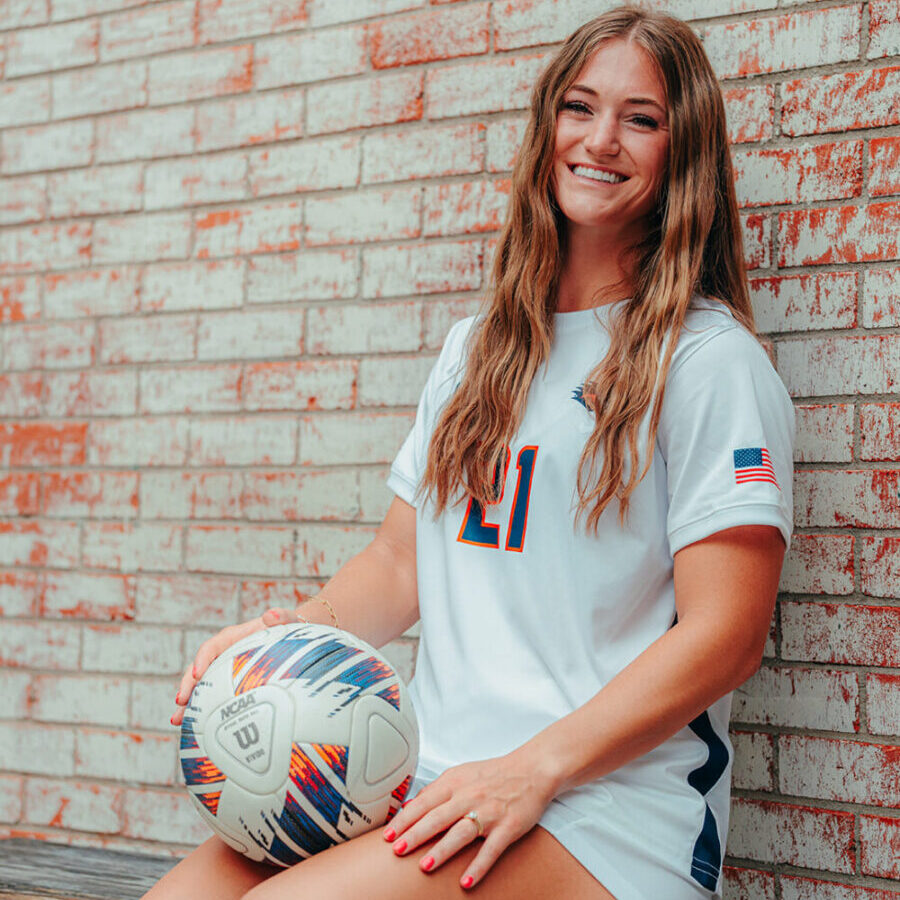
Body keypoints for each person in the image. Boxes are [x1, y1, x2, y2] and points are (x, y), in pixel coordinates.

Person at [148, 5, 794, 899]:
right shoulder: (478, 348)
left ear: (682, 153)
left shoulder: (709, 362)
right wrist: (280, 639)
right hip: (441, 780)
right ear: (546, 128)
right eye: (579, 107)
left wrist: (532, 769)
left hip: (604, 812)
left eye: (641, 119)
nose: (601, 139)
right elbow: (397, 564)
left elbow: (728, 635)